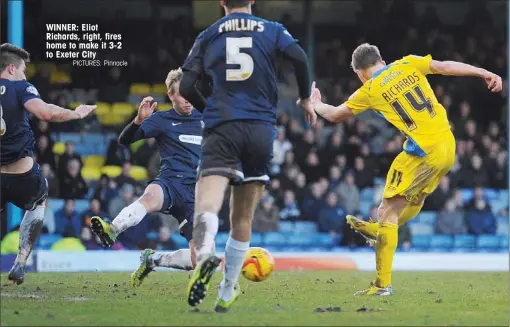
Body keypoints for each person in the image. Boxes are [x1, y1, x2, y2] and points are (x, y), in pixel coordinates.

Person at [310, 43, 502, 296]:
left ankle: (382, 284)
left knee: (385, 211)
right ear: (381, 59)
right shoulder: (408, 63)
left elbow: (334, 115)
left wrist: (316, 103)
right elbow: (444, 67)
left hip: (422, 150)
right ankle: (380, 232)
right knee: (410, 201)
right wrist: (483, 72)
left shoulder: (369, 89)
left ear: (359, 72)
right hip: (447, 145)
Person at [179, 0, 316, 312]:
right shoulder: (273, 30)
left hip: (222, 127)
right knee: (242, 217)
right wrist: (306, 98)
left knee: (207, 205)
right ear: (252, 0)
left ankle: (204, 257)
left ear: (221, 2)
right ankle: (227, 290)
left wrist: (210, 110)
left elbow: (186, 85)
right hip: (260, 130)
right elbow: (299, 57)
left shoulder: (209, 34)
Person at [89, 68, 202, 287]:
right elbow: (125, 140)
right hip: (170, 182)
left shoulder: (206, 118)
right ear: (171, 95)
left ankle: (153, 259)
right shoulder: (161, 119)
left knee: (200, 258)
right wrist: (139, 121)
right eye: (182, 94)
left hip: (196, 194)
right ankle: (113, 228)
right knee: (150, 198)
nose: (188, 100)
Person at [0, 43, 95, 284]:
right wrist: (77, 113)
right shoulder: (21, 87)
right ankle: (21, 262)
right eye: (22, 70)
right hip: (22, 173)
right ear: (11, 68)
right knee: (40, 201)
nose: (24, 75)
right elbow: (45, 113)